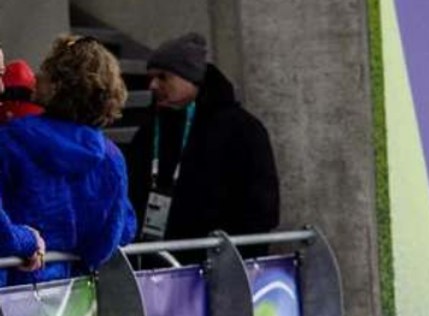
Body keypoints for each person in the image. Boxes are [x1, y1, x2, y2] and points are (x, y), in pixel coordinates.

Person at [0, 35, 136, 286]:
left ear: (57, 84)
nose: (36, 79)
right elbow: (114, 234)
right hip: (72, 297)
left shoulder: (11, 140)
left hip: (12, 287)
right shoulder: (111, 158)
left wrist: (27, 242)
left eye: (45, 71)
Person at [126, 33, 279, 251]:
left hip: (220, 259)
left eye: (163, 77)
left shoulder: (242, 129)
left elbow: (261, 206)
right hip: (158, 260)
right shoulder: (149, 130)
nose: (152, 85)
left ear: (190, 79)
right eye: (150, 78)